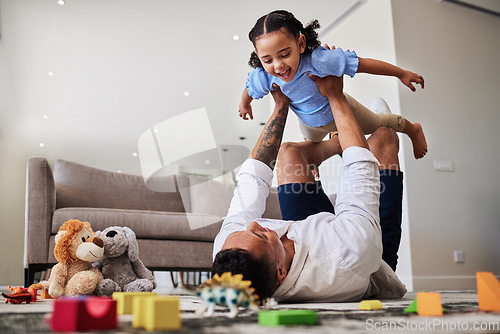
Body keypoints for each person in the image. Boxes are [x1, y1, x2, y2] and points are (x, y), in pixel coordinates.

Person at [212, 74, 407, 303]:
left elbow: (252, 178)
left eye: (245, 230)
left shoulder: (228, 247)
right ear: (280, 273)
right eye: (262, 235)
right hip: (371, 259)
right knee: (382, 138)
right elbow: (360, 167)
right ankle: (352, 132)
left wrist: (280, 106)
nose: (254, 224)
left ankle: (340, 138)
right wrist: (335, 96)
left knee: (289, 152)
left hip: (306, 230)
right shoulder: (349, 252)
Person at [238, 10, 427, 159]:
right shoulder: (264, 76)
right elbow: (249, 90)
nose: (278, 66)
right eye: (267, 60)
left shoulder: (319, 60)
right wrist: (244, 104)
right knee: (310, 146)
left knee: (378, 124)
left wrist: (401, 73)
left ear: (301, 44)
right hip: (308, 123)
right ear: (258, 57)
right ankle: (318, 158)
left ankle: (412, 129)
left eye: (285, 54)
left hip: (342, 113)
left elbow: (364, 64)